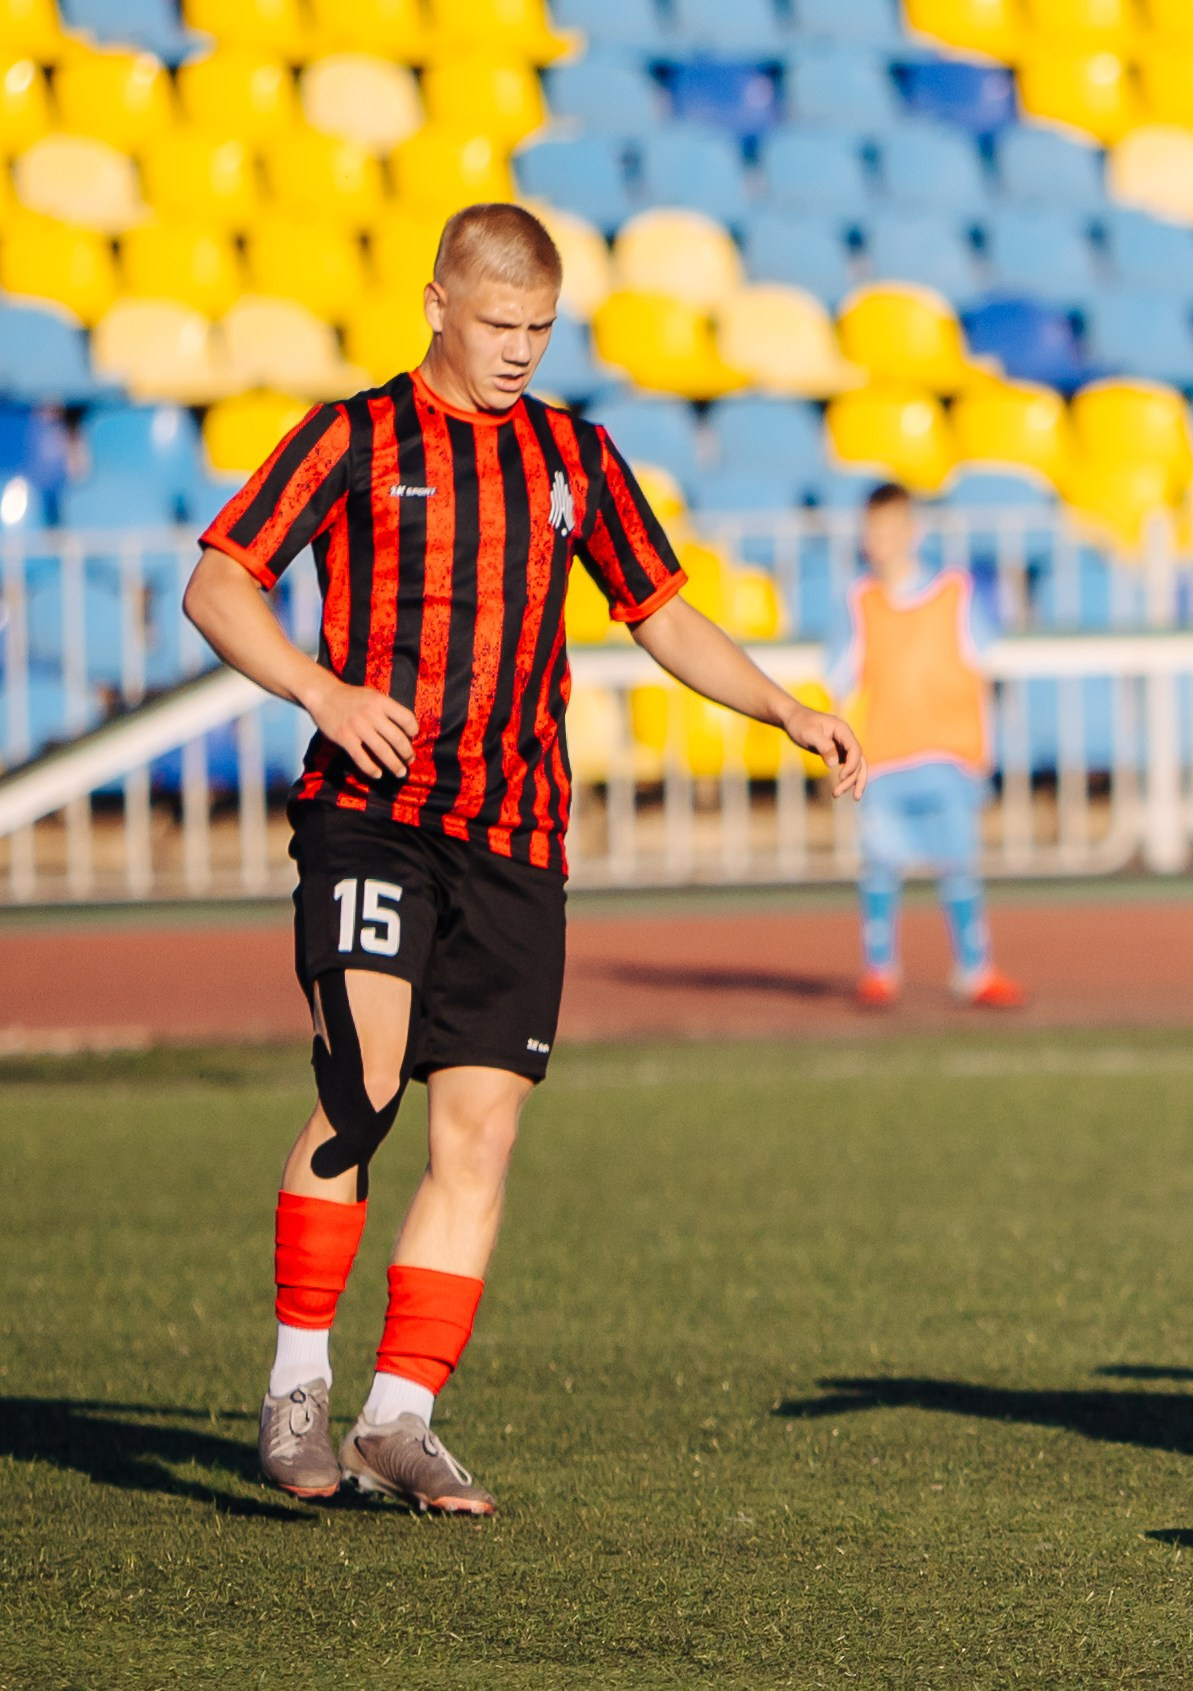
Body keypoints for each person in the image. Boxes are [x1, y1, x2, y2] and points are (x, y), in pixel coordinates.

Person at [183, 203, 866, 1515]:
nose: (519, 353)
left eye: (542, 330)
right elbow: (219, 583)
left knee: (480, 1135)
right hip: (372, 810)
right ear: (439, 301)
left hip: (514, 834)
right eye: (500, 324)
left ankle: (401, 1415)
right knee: (366, 1077)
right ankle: (294, 1386)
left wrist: (783, 704)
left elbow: (659, 606)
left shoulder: (572, 454)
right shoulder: (354, 436)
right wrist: (322, 691)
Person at [827, 482, 1025, 1011]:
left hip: (947, 756)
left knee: (959, 864)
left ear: (912, 532)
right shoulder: (858, 603)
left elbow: (986, 665)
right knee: (880, 866)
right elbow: (841, 683)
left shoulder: (954, 594)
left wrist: (983, 751)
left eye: (893, 530)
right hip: (885, 758)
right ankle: (880, 969)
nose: (883, 542)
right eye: (874, 532)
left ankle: (974, 967)